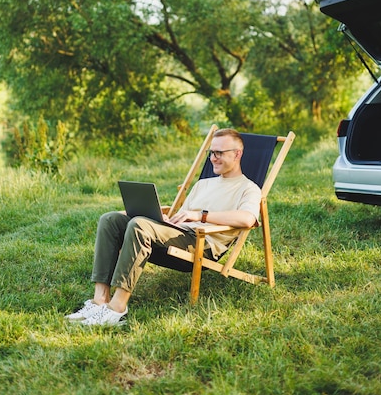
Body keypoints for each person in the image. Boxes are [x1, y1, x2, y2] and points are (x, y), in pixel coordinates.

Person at [66, 128, 261, 326]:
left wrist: (200, 216)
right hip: (179, 233)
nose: (213, 158)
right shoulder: (203, 184)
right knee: (110, 219)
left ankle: (117, 309)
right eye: (211, 153)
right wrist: (159, 216)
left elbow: (247, 219)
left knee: (139, 226)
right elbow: (181, 218)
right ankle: (100, 300)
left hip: (201, 244)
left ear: (237, 154)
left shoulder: (249, 188)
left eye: (219, 153)